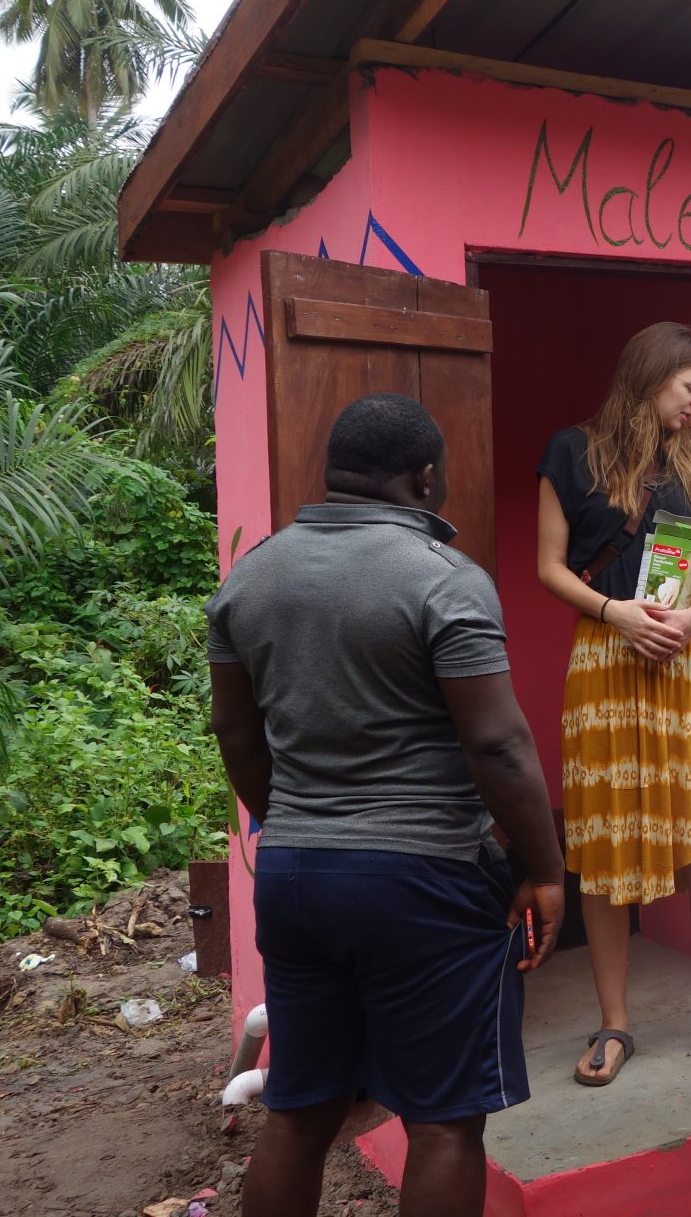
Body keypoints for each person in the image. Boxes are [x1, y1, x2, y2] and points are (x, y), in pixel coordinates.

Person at [208, 393, 565, 1217]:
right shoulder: (445, 579)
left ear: (333, 471)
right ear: (425, 476)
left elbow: (233, 726)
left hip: (295, 876)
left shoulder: (250, 577)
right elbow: (498, 744)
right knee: (443, 1122)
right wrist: (546, 869)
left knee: (298, 1110)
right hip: (425, 879)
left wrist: (292, 822)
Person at [535, 322, 691, 1084]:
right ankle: (614, 1023)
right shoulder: (570, 453)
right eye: (690, 387)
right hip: (605, 660)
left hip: (684, 661)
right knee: (603, 840)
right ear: (651, 377)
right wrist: (612, 611)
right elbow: (548, 566)